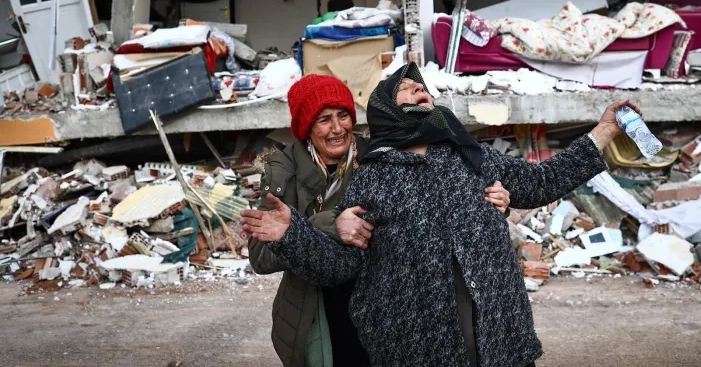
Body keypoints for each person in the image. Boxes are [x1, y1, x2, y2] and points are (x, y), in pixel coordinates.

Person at [242, 62, 639, 367]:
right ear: (385, 110)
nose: (420, 91)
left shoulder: (473, 158)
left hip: (496, 329)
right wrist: (295, 234)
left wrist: (604, 130)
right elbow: (343, 265)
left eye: (424, 89)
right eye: (408, 89)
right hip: (419, 341)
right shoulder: (373, 177)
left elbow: (543, 181)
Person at [247, 72, 513, 367]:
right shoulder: (282, 172)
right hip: (317, 304)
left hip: (382, 297)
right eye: (323, 120)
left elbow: (438, 198)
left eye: (343, 116)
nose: (337, 128)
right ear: (306, 127)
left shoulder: (381, 153)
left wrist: (491, 202)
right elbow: (260, 257)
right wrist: (328, 223)